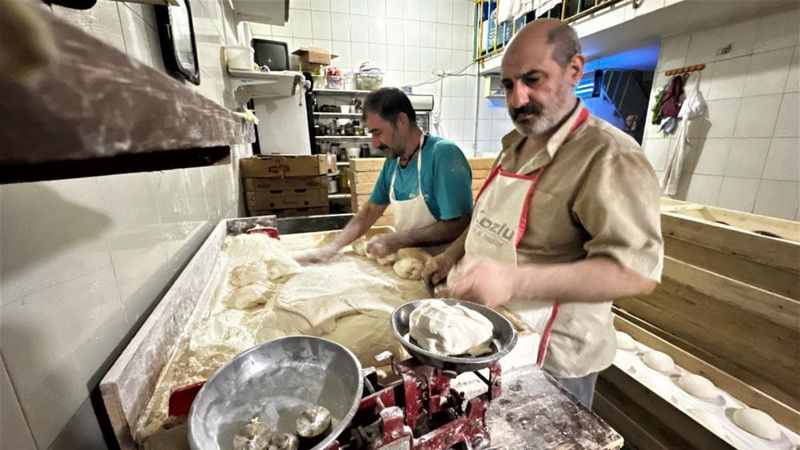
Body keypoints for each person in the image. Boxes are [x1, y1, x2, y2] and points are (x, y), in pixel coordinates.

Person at [422, 20, 664, 408]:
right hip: (494, 339)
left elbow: (635, 273)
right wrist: (451, 256)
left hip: (554, 360)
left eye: (533, 79)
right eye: (508, 84)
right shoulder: (515, 146)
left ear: (574, 70)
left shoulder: (608, 157)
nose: (518, 99)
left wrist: (513, 282)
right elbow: (488, 222)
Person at [299, 87, 473, 263]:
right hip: (413, 262)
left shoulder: (443, 155)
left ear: (402, 121)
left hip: (446, 268)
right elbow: (370, 210)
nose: (375, 144)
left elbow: (457, 225)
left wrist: (398, 239)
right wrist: (332, 249)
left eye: (377, 132)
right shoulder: (394, 162)